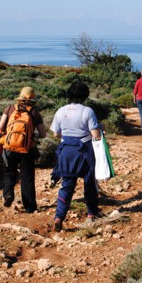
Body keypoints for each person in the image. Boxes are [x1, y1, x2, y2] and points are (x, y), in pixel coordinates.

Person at [50, 82, 103, 231]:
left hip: (66, 152)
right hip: (84, 152)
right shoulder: (87, 111)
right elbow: (95, 135)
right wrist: (100, 129)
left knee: (67, 185)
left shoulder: (61, 111)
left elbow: (56, 133)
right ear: (85, 95)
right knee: (89, 183)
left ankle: (59, 216)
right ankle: (92, 214)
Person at [0, 86, 47, 212]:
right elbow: (43, 134)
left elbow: (0, 128)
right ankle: (30, 207)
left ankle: (8, 195)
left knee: (9, 173)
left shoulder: (9, 109)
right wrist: (32, 136)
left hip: (9, 148)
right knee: (27, 178)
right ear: (33, 99)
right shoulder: (34, 113)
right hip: (27, 150)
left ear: (20, 98)